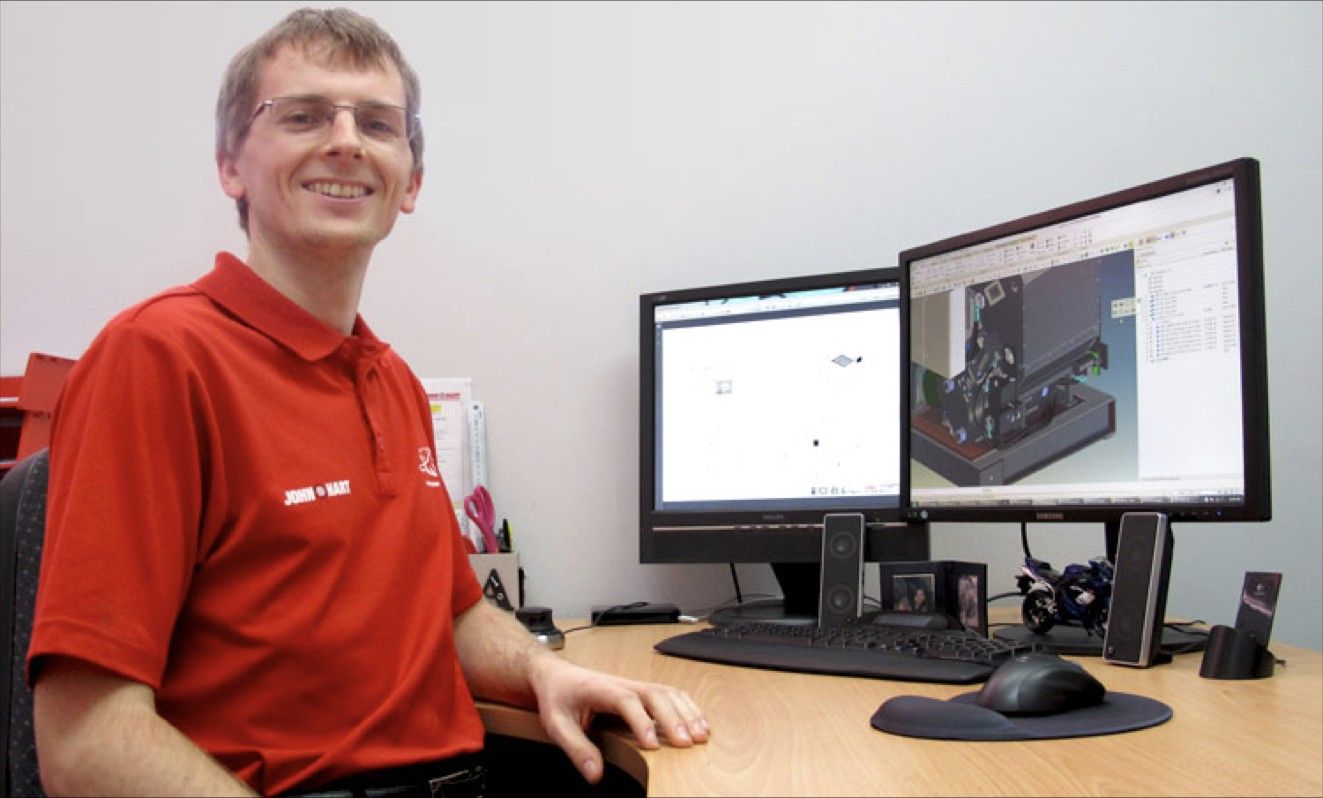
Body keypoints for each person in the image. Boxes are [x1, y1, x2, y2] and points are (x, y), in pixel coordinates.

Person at [28, 8, 708, 797]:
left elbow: (453, 615)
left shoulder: (394, 382)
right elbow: (84, 744)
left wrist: (540, 671)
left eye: (378, 124)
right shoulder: (157, 357)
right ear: (230, 165)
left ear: (409, 181)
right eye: (304, 115)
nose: (346, 141)